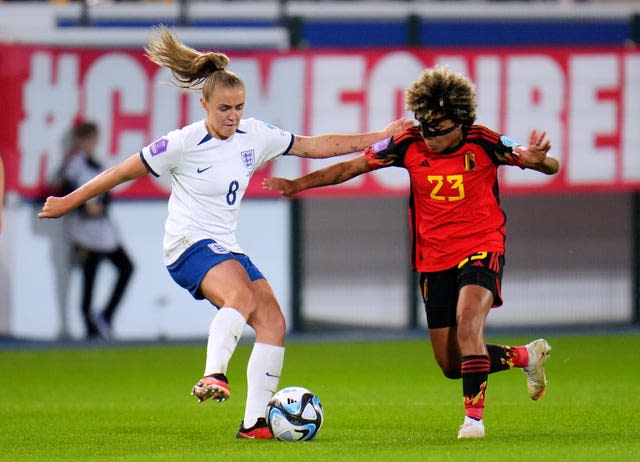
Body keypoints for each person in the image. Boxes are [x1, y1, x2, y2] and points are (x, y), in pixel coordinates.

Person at [38, 26, 413, 439]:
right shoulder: (182, 142)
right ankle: (213, 374)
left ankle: (254, 424)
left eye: (239, 107)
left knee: (272, 320)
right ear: (204, 104)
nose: (233, 115)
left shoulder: (256, 134)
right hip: (186, 245)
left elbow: (314, 145)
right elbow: (118, 173)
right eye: (224, 108)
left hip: (223, 245)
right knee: (242, 296)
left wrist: (379, 136)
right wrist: (68, 202)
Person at [263, 65, 560, 440]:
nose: (429, 137)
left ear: (461, 122)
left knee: (469, 323)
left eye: (438, 129)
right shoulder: (407, 143)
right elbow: (350, 168)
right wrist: (297, 184)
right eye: (424, 126)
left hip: (481, 245)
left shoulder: (485, 141)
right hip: (433, 259)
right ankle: (525, 357)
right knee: (451, 363)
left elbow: (546, 164)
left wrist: (539, 159)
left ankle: (473, 422)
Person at [59, 121, 134, 340]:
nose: (91, 144)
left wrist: (101, 206)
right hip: (85, 233)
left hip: (103, 230)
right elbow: (67, 195)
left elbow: (107, 192)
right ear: (80, 141)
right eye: (87, 139)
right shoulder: (73, 166)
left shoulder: (96, 164)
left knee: (126, 267)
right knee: (89, 279)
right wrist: (84, 208)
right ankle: (90, 328)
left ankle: (105, 316)